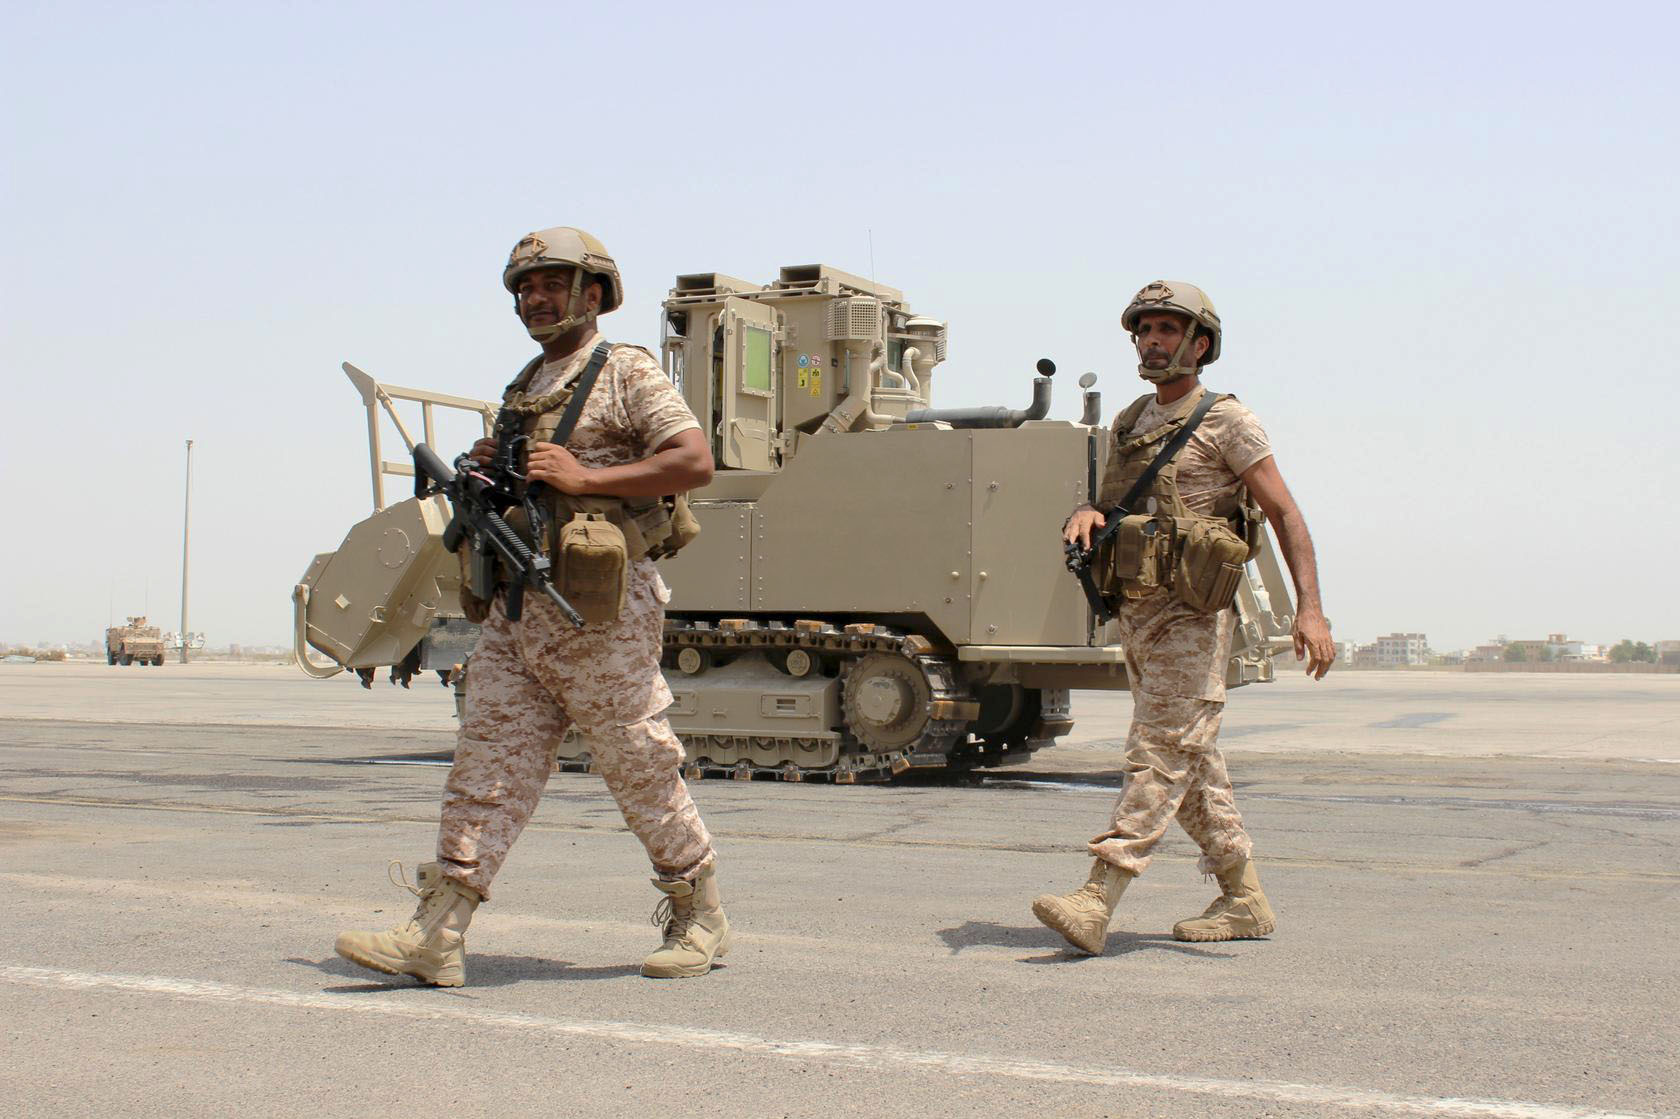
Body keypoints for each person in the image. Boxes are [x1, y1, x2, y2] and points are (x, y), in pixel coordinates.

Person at [335, 227, 728, 985]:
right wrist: (493, 466)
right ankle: (438, 933)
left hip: (600, 612)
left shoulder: (625, 370)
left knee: (638, 765)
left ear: (592, 293)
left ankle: (699, 911)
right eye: (524, 289)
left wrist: (584, 480)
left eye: (551, 284)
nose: (534, 300)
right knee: (484, 765)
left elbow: (693, 460)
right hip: (519, 609)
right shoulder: (526, 385)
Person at [1033, 280, 1334, 954]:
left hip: (1193, 618)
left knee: (1158, 750)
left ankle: (1098, 894)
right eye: (1144, 330)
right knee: (1191, 761)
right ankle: (1243, 898)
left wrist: (1310, 610)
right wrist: (1085, 513)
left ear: (1200, 345)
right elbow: (1111, 506)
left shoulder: (1228, 421)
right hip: (1138, 614)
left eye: (1168, 330)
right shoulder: (1132, 419)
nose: (1152, 341)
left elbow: (1285, 513)